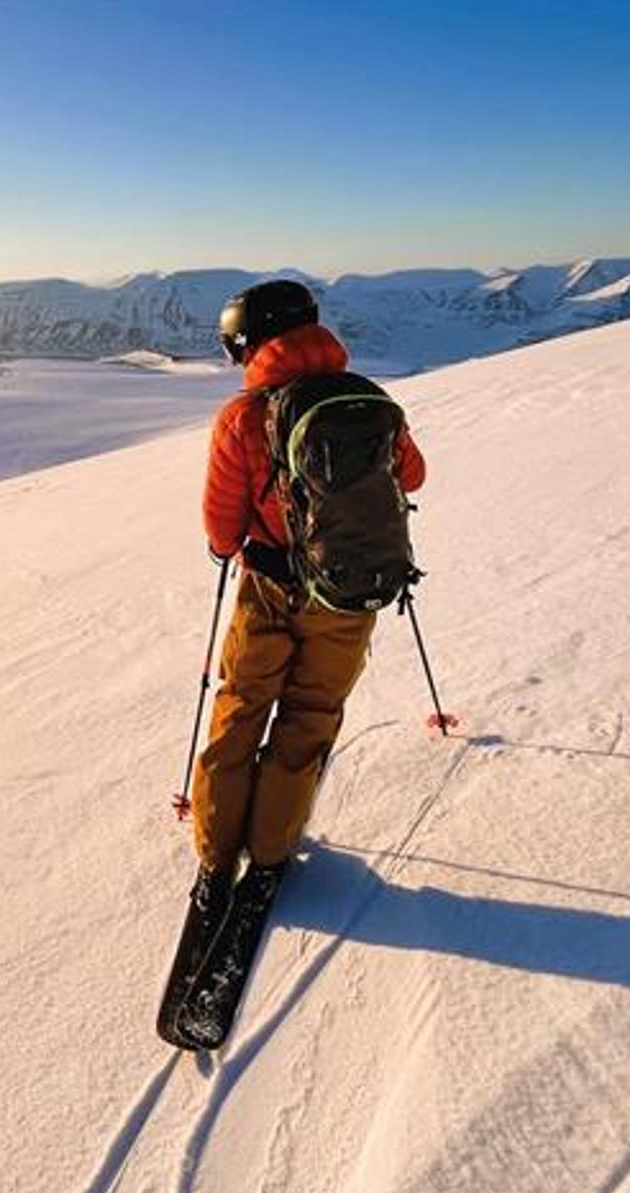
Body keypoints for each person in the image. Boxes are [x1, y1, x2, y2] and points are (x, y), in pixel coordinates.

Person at [187, 280, 427, 923]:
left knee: (241, 709)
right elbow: (412, 476)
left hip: (267, 589)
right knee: (310, 716)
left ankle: (216, 854)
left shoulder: (242, 417)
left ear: (254, 340)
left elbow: (221, 527)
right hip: (347, 592)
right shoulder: (369, 401)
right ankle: (271, 854)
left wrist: (232, 545)